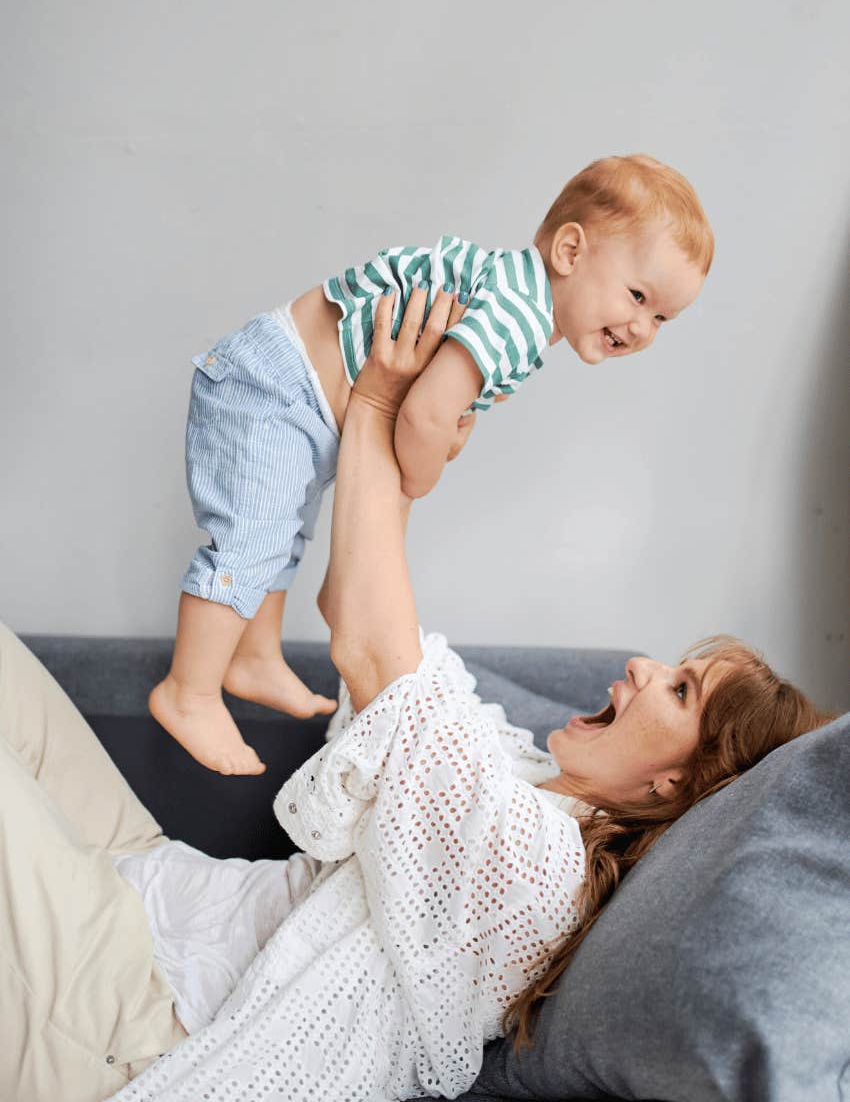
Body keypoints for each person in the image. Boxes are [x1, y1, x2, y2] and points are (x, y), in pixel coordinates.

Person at [2, 287, 823, 1102]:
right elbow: (362, 620)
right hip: (156, 884)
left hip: (134, 1008)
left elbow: (369, 645)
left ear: (678, 783)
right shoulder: (515, 769)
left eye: (678, 690)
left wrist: (374, 399)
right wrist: (402, 425)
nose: (644, 667)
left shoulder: (535, 872)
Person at [149, 153, 714, 775]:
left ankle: (252, 655)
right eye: (638, 297)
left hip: (293, 389)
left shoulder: (515, 297)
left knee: (284, 528)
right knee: (251, 537)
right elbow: (421, 415)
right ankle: (189, 691)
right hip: (273, 385)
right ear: (571, 252)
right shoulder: (520, 318)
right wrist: (428, 467)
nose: (641, 328)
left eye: (662, 318)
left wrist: (444, 425)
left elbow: (434, 401)